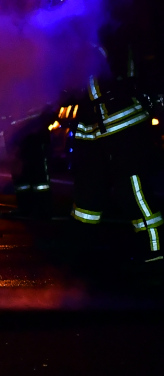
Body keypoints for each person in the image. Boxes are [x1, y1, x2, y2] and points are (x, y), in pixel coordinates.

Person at [70, 38, 162, 263]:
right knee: (88, 194)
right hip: (95, 133)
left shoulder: (112, 36)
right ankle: (81, 252)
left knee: (131, 191)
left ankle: (155, 250)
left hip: (124, 130)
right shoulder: (77, 43)